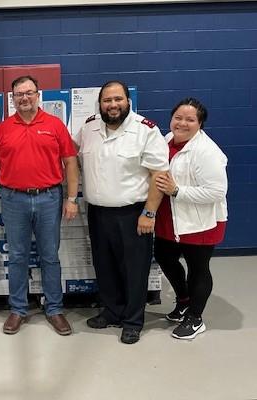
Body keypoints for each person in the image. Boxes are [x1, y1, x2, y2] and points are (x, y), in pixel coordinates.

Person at [0, 75, 79, 336]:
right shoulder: (2, 129)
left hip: (50, 198)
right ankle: (18, 309)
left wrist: (71, 198)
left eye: (29, 93)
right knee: (17, 257)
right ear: (12, 99)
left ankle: (55, 309)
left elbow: (70, 162)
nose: (24, 98)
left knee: (50, 256)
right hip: (14, 200)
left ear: (38, 95)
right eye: (18, 94)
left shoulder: (55, 125)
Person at [75, 80, 169, 344]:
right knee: (104, 266)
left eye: (118, 99)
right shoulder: (89, 127)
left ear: (128, 101)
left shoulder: (145, 130)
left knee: (134, 269)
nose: (113, 105)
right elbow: (71, 154)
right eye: (107, 100)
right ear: (100, 104)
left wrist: (149, 213)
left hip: (134, 213)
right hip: (98, 212)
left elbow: (159, 175)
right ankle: (112, 311)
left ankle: (132, 320)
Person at [153, 98, 228, 340]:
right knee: (164, 256)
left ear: (200, 123)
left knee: (198, 268)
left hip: (201, 221)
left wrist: (177, 191)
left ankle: (195, 318)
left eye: (190, 119)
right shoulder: (166, 140)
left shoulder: (207, 152)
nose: (182, 123)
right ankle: (184, 300)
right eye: (178, 118)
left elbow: (217, 192)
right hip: (171, 218)